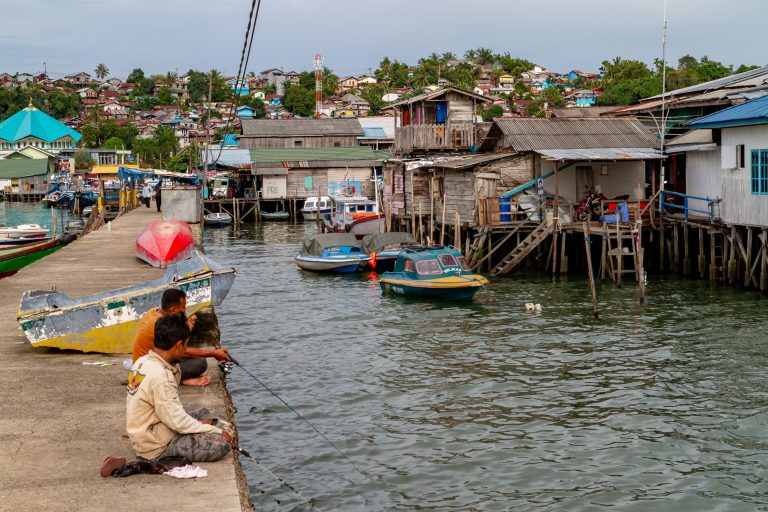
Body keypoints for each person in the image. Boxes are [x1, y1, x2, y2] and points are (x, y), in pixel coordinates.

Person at [122, 313, 232, 465]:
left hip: (149, 430)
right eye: (186, 345)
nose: (186, 350)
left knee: (204, 413)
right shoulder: (161, 376)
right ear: (179, 345)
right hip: (155, 446)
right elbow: (178, 422)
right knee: (221, 443)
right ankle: (153, 460)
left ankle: (206, 428)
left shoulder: (143, 361)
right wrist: (217, 432)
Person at [133, 288, 230, 386]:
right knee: (200, 363)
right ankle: (180, 380)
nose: (185, 310)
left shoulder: (154, 312)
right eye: (183, 307)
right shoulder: (158, 323)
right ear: (173, 309)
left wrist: (184, 324)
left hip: (143, 363)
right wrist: (213, 353)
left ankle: (179, 377)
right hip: (147, 370)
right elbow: (181, 351)